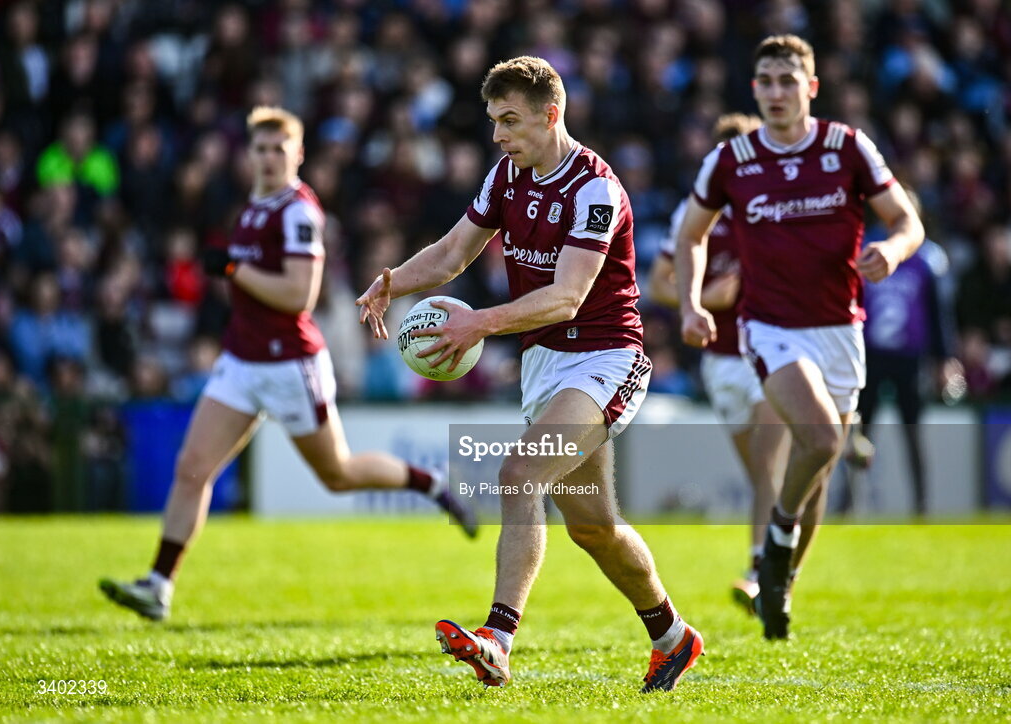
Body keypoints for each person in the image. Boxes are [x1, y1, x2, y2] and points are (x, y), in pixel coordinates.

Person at [357, 57, 703, 692]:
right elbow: (453, 253)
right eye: (493, 121)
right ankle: (673, 637)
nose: (498, 135)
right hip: (546, 365)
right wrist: (391, 283)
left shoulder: (596, 189)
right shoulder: (506, 176)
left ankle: (497, 637)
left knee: (518, 472)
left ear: (552, 113)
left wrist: (478, 325)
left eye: (509, 120)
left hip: (606, 357)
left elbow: (567, 298)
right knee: (593, 526)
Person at [99, 106, 476, 622]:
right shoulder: (253, 207)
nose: (270, 157)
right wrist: (237, 275)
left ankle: (429, 482)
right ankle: (159, 585)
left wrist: (234, 268)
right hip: (242, 357)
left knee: (338, 474)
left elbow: (300, 294)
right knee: (192, 468)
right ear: (248, 155)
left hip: (289, 363)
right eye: (261, 148)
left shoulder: (299, 211)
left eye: (280, 148)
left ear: (298, 154)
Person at [675, 35, 924, 640]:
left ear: (811, 88)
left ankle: (780, 582)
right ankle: (772, 551)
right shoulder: (731, 159)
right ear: (754, 89)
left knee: (822, 462)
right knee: (814, 438)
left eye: (789, 81)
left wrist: (891, 251)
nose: (777, 92)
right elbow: (690, 237)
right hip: (771, 328)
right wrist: (689, 303)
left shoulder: (847, 148)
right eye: (766, 81)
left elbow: (908, 221)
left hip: (841, 326)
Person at [647, 112, 790, 616]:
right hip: (719, 362)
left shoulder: (778, 205)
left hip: (771, 351)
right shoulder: (696, 211)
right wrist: (705, 296)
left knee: (771, 464)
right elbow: (658, 283)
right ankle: (776, 561)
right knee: (763, 477)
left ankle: (760, 573)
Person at [847, 188, 963, 515]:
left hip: (910, 359)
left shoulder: (928, 259)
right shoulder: (866, 248)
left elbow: (938, 313)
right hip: (869, 355)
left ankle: (920, 505)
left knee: (912, 432)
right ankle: (849, 501)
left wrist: (944, 359)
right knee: (859, 431)